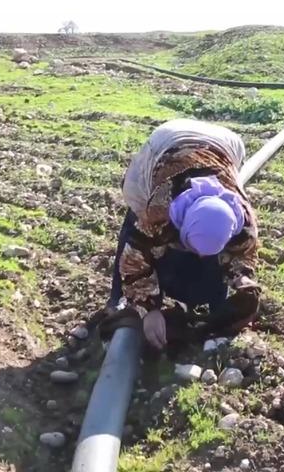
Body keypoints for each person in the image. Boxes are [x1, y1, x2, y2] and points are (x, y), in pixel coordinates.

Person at [99, 119, 261, 350]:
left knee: (204, 272)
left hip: (225, 143)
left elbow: (242, 255)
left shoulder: (243, 224)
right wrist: (149, 310)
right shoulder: (158, 213)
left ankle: (211, 299)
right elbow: (135, 262)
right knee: (135, 219)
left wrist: (242, 278)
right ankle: (117, 300)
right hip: (166, 142)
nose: (202, 257)